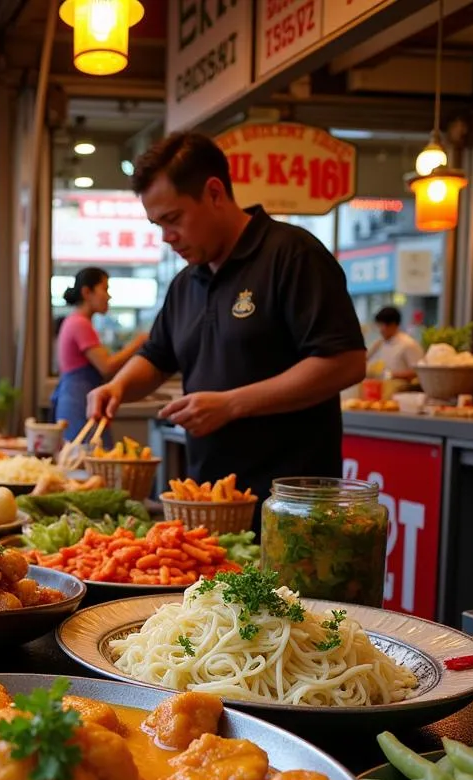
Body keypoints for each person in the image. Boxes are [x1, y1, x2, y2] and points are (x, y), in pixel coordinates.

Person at [87, 133, 366, 531]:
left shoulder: (292, 254)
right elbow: (157, 356)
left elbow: (345, 362)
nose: (166, 237)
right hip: (207, 507)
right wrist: (117, 387)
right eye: (157, 224)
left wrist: (232, 404)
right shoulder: (186, 283)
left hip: (291, 510)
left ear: (215, 192)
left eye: (173, 219)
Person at [51, 267, 147, 441]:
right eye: (105, 289)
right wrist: (139, 343)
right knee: (88, 459)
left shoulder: (74, 321)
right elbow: (107, 366)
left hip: (75, 400)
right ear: (87, 292)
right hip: (80, 402)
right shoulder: (80, 323)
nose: (109, 296)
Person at [367, 306, 424, 380]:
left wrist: (390, 375)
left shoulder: (408, 344)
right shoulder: (380, 344)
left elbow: (418, 372)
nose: (380, 330)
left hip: (401, 388)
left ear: (393, 325)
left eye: (382, 325)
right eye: (379, 325)